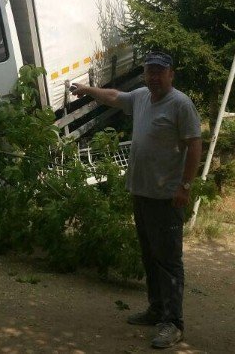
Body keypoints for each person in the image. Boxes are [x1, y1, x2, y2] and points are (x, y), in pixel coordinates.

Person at [71, 51, 202, 349]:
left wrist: (185, 185)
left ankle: (173, 322)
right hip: (141, 192)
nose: (154, 77)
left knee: (168, 261)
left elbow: (195, 144)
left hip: (166, 196)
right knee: (149, 255)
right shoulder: (142, 96)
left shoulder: (180, 104)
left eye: (160, 71)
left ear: (171, 74)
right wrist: (87, 90)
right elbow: (115, 96)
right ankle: (156, 309)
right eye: (149, 71)